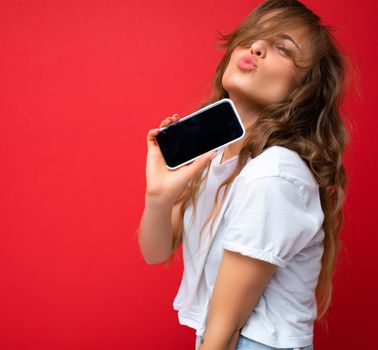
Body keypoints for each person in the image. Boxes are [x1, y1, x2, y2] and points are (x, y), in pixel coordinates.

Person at [137, 0, 351, 349]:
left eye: (282, 47)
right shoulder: (217, 157)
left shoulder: (274, 173)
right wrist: (158, 196)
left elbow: (226, 325)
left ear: (304, 89)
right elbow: (156, 251)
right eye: (254, 36)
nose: (257, 46)